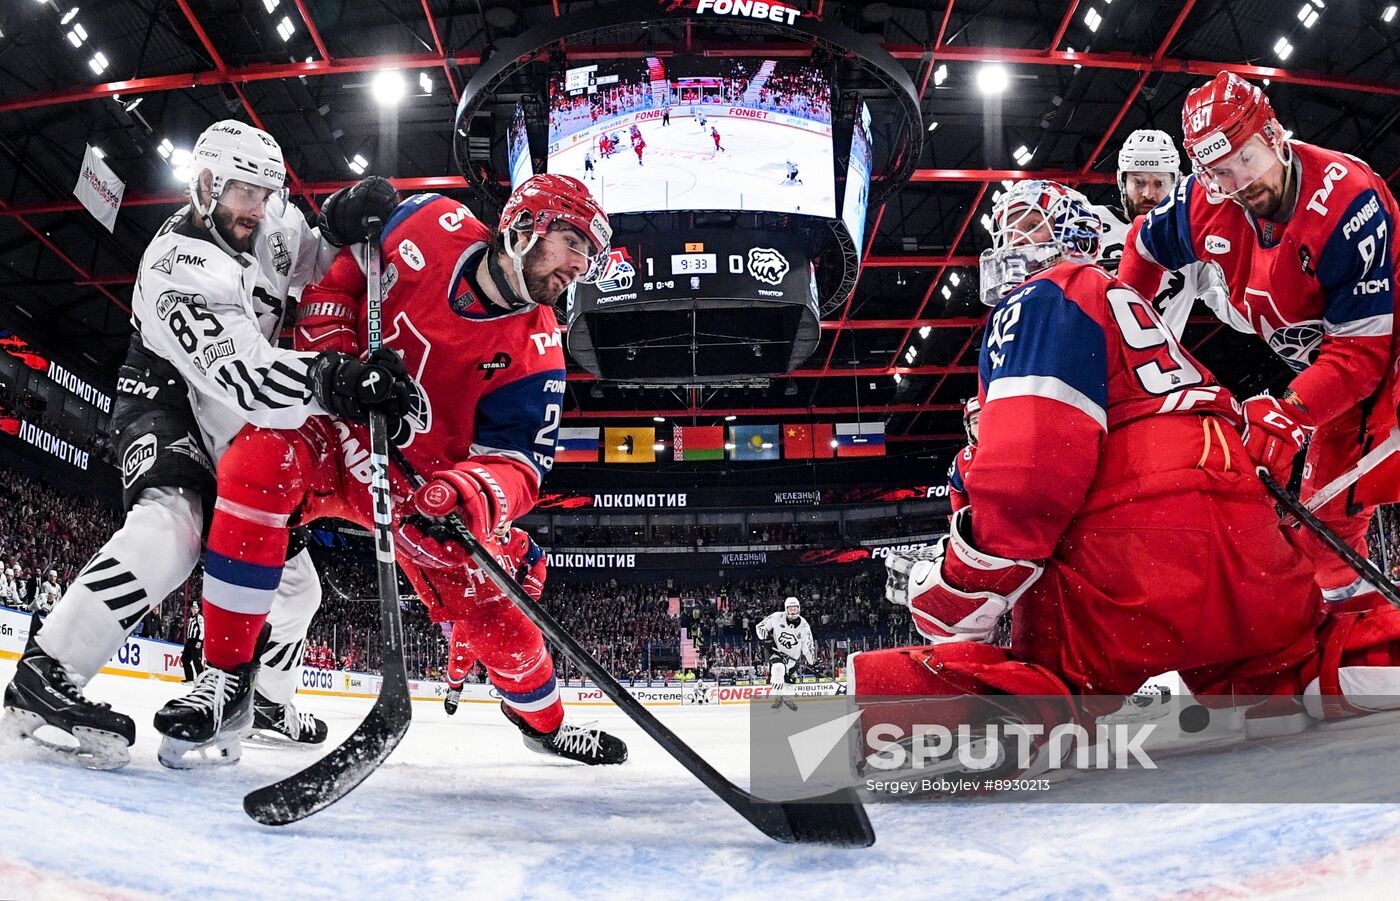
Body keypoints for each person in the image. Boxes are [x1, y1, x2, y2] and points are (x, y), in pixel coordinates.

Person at [154, 173, 627, 769]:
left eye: (590, 253)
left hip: (420, 498)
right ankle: (225, 682)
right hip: (339, 428)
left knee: (506, 634)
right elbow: (337, 285)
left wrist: (464, 495)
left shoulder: (539, 352)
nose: (581, 266)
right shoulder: (430, 220)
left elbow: (520, 467)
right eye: (576, 243)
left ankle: (545, 723)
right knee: (256, 462)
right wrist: (344, 366)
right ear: (527, 225)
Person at [862, 180, 1337, 768]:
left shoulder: (1042, 297)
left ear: (1075, 233)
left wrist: (959, 587)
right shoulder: (1135, 310)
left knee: (1042, 681)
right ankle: (1329, 670)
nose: (1012, 240)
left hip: (1134, 560)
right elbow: (1222, 422)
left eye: (1028, 223)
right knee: (1294, 666)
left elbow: (1028, 473)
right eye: (1007, 226)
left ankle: (953, 726)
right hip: (1248, 545)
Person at [1, 119, 403, 769]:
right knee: (176, 523)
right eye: (246, 191)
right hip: (166, 396)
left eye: (268, 191)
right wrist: (334, 380)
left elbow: (312, 257)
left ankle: (266, 697)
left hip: (234, 423)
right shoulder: (178, 267)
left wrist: (338, 221)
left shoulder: (265, 219)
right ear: (207, 183)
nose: (258, 206)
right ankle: (45, 678)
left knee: (299, 587)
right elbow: (246, 374)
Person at [1118, 72, 1400, 605]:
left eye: (1247, 158)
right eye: (1222, 172)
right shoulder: (1205, 198)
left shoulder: (1348, 202)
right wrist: (1126, 338)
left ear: (1274, 135)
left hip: (1387, 357)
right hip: (1332, 373)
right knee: (1324, 534)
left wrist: (1291, 410)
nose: (1242, 182)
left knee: (1330, 517)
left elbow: (1362, 356)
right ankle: (1362, 647)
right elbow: (1143, 245)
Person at [1089, 128, 1249, 339]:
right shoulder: (1089, 222)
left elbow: (1239, 314)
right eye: (1139, 182)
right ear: (1122, 182)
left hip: (1152, 369)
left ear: (1176, 184)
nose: (1148, 194)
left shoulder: (1189, 238)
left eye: (1159, 183)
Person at [443, 525, 547, 716]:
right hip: (472, 613)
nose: (500, 524)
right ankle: (454, 688)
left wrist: (532, 589)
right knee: (459, 660)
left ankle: (515, 698)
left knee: (513, 656)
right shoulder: (473, 536)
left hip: (504, 612)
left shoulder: (520, 538)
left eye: (505, 520)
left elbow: (540, 559)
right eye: (497, 519)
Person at [755, 596, 814, 710]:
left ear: (799, 609)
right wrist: (765, 639)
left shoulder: (804, 625)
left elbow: (808, 645)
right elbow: (760, 627)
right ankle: (777, 698)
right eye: (790, 609)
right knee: (778, 668)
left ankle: (787, 698)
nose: (793, 612)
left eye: (795, 609)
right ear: (786, 609)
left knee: (789, 680)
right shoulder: (777, 617)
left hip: (793, 658)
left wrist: (812, 662)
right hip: (777, 652)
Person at [947, 397, 979, 516]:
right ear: (969, 428)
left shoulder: (1013, 448)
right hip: (983, 528)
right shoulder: (963, 459)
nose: (981, 426)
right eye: (975, 422)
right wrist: (961, 518)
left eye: (985, 418)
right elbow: (955, 488)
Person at [181, 609, 204, 684]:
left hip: (196, 641)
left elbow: (202, 630)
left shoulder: (200, 618)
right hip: (190, 641)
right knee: (185, 659)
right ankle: (189, 678)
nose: (194, 609)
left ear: (198, 609)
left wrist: (199, 641)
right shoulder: (190, 618)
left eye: (196, 608)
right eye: (193, 608)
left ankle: (201, 680)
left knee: (197, 661)